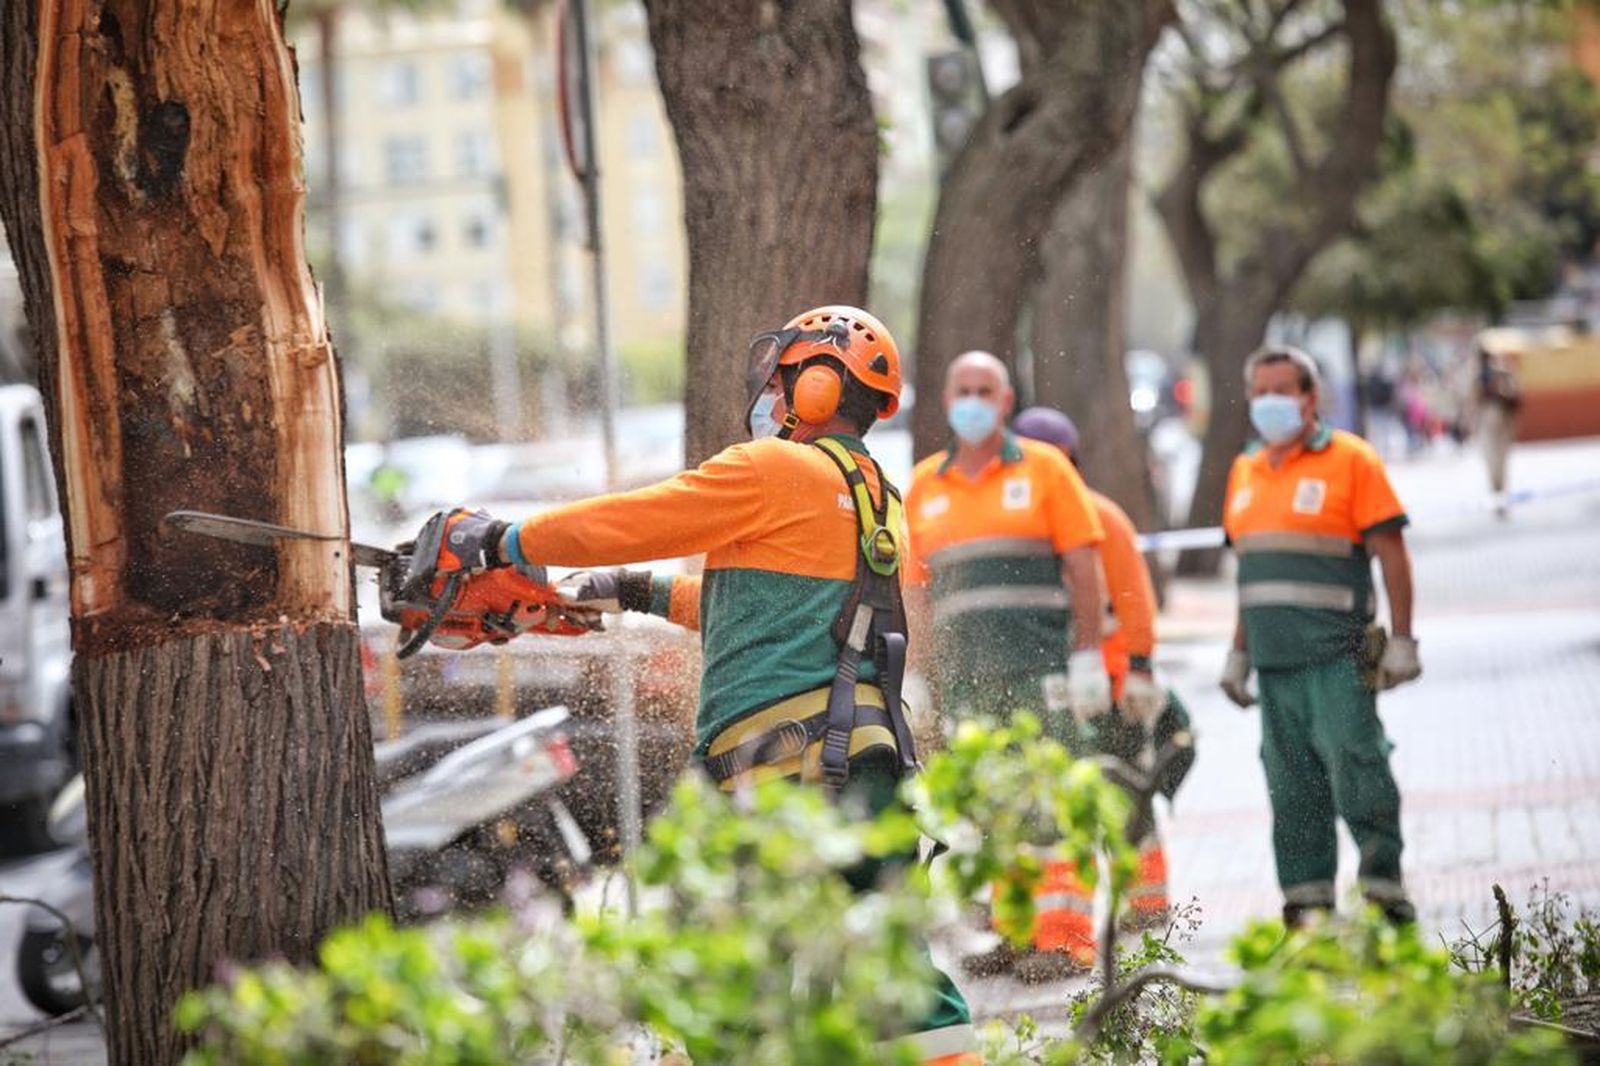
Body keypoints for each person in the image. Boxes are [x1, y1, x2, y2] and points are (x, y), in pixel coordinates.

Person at [411, 305, 977, 1064]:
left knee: (729, 983)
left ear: (817, 384)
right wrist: (636, 593)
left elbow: (643, 517)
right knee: (898, 979)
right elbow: (767, 609)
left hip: (783, 771)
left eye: (784, 381)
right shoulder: (877, 495)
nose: (773, 399)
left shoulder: (775, 468)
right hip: (866, 767)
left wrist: (503, 539)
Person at [901, 353, 1109, 982]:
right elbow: (915, 593)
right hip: (967, 680)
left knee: (1047, 805)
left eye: (984, 390)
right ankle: (1016, 934)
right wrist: (917, 673)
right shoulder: (924, 486)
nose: (973, 401)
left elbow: (1083, 566)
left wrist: (1089, 654)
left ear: (1006, 400)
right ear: (946, 401)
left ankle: (1065, 939)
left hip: (1040, 673)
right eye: (962, 390)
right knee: (992, 808)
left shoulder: (1045, 470)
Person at [1218, 346, 1422, 928]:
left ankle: (1384, 891)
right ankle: (1307, 906)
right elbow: (1251, 576)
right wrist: (1238, 653)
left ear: (1310, 398)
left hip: (1338, 657)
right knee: (1292, 790)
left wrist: (1404, 639)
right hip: (1275, 665)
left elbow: (1393, 555)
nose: (1268, 402)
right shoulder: (1245, 470)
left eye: (1281, 390)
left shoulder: (1351, 460)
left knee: (1360, 772)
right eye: (1259, 391)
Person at [1011, 406, 1197, 939]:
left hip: (1111, 687)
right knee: (1055, 804)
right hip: (1053, 689)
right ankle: (1047, 923)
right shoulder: (1020, 525)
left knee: (1123, 794)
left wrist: (1138, 668)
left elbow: (1134, 599)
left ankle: (1146, 901)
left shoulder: (1100, 517)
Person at [1474, 345, 1522, 519]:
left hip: (1502, 423)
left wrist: (1499, 390)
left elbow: (1515, 399)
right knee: (1491, 462)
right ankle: (1496, 497)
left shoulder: (1504, 374)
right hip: (1486, 425)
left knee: (1502, 461)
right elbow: (1474, 400)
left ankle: (1502, 497)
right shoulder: (1477, 377)